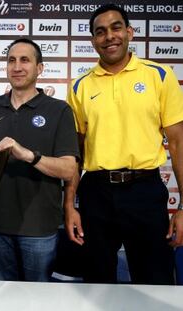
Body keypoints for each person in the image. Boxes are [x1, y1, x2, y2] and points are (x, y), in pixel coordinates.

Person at [65, 3, 183, 284]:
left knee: (155, 281)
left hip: (145, 191)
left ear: (129, 32)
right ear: (93, 40)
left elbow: (178, 144)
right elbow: (75, 155)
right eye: (100, 32)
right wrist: (69, 206)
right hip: (96, 193)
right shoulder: (80, 86)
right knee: (96, 281)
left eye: (116, 27)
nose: (109, 37)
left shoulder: (160, 75)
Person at [0, 38, 79, 282]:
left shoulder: (59, 110)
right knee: (3, 295)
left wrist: (28, 155)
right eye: (11, 60)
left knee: (38, 298)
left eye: (25, 60)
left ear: (39, 68)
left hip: (40, 228)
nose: (17, 66)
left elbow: (68, 169)